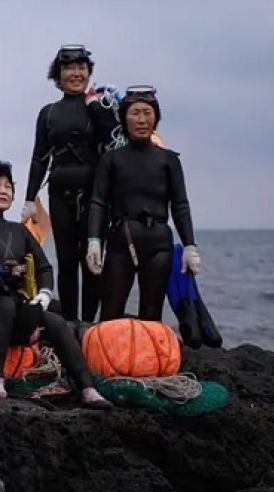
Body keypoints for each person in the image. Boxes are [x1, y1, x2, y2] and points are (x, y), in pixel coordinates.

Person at [0, 160, 109, 406]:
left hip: (11, 315)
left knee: (55, 321)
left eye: (8, 186)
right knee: (3, 304)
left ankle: (88, 388)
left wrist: (43, 295)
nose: (4, 190)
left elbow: (44, 267)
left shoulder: (19, 231)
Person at [22, 45, 120, 325]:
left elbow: (114, 145)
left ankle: (88, 323)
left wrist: (99, 109)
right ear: (58, 74)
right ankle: (68, 322)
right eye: (69, 68)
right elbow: (39, 158)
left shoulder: (101, 105)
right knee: (66, 260)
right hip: (60, 191)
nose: (76, 74)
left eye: (81, 68)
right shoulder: (48, 112)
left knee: (92, 260)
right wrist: (29, 199)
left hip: (95, 195)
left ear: (89, 73)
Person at [85, 85, 200, 321]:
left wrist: (190, 245)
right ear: (124, 118)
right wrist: (94, 241)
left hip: (158, 245)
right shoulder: (111, 159)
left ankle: (149, 347)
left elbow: (180, 204)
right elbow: (98, 202)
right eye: (135, 113)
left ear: (156, 118)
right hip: (120, 243)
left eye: (147, 113)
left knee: (151, 315)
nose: (141, 120)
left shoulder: (169, 160)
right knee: (110, 314)